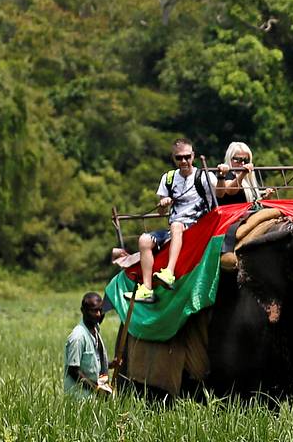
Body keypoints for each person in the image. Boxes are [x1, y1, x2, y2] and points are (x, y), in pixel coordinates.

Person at [126, 138, 218, 304]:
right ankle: (147, 289)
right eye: (179, 158)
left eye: (187, 157)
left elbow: (223, 192)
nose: (183, 161)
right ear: (173, 158)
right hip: (175, 227)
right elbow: (162, 212)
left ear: (193, 155)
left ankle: (169, 272)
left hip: (199, 225)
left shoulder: (204, 176)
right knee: (144, 239)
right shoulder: (168, 179)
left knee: (176, 225)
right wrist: (163, 204)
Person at [64, 291, 112, 396]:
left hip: (92, 399)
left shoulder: (95, 330)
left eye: (100, 310)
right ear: (83, 311)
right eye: (94, 311)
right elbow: (73, 371)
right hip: (79, 398)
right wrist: (96, 389)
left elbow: (92, 362)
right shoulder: (78, 337)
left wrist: (110, 364)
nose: (98, 314)